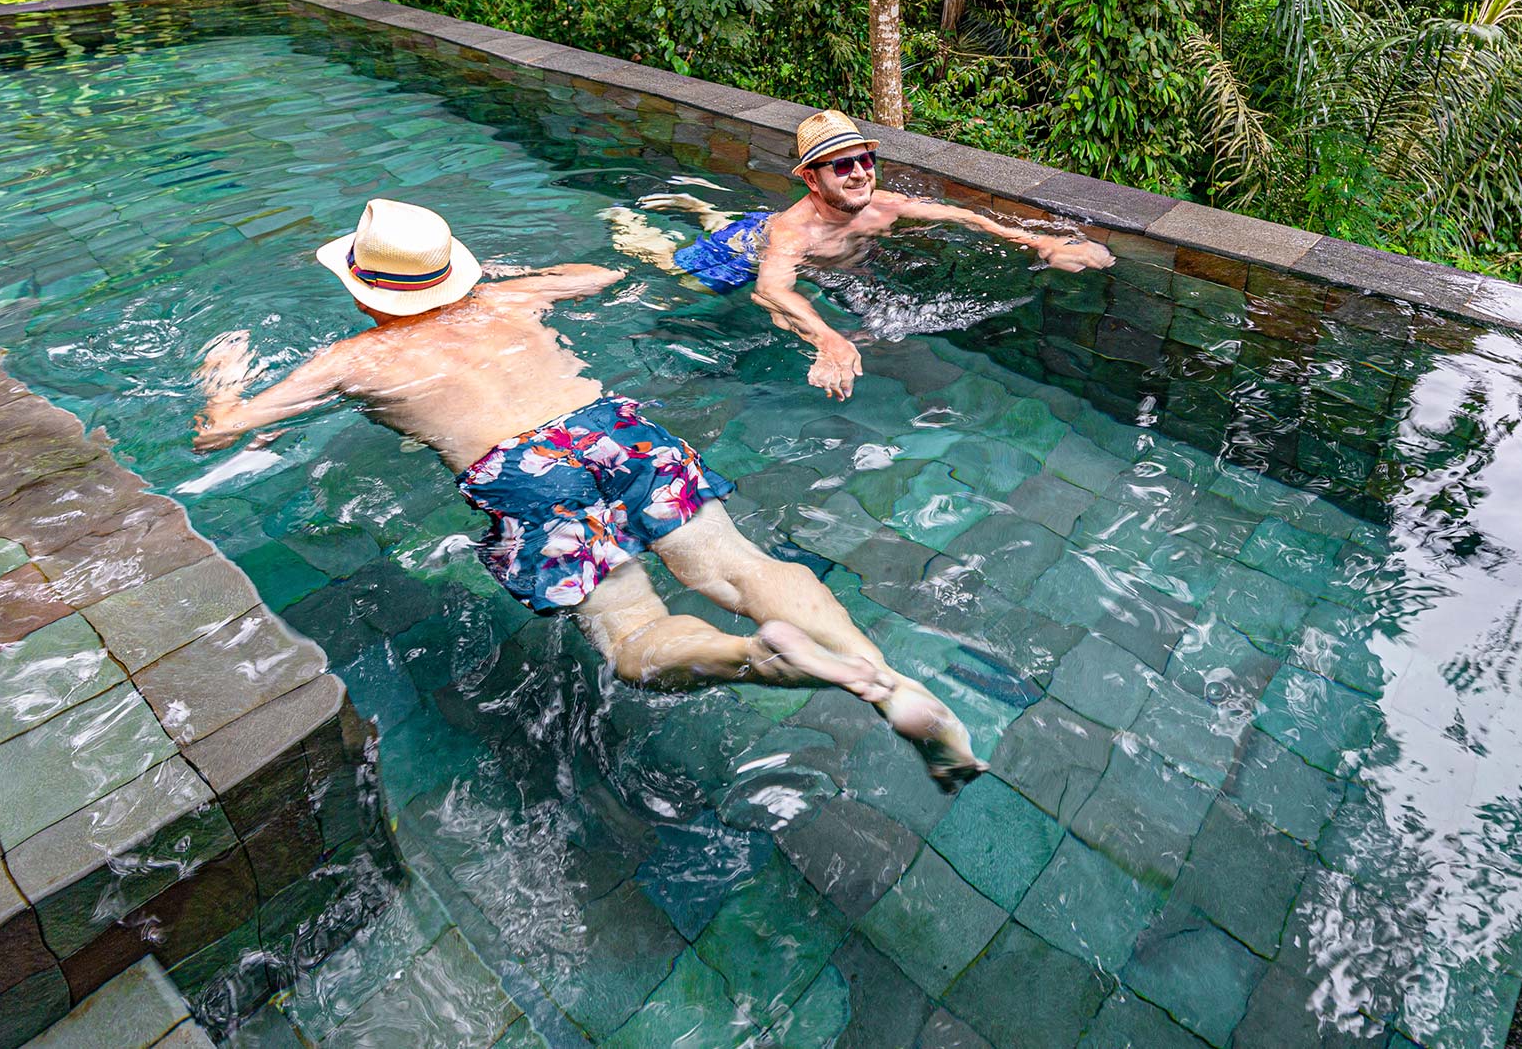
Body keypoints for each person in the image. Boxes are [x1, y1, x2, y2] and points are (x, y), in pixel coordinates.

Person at [192, 198, 985, 787]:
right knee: (738, 567)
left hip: (523, 472)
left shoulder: (350, 357)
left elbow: (220, 433)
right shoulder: (506, 299)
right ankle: (887, 682)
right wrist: (496, 280)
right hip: (609, 426)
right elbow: (599, 273)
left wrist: (221, 374)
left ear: (368, 291)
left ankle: (757, 658)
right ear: (455, 270)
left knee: (634, 637)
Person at [602, 109, 1116, 399]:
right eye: (840, 165)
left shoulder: (885, 206)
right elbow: (770, 290)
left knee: (734, 233)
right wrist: (826, 338)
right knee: (676, 269)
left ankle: (702, 209)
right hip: (750, 250)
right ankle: (624, 220)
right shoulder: (794, 236)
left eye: (864, 159)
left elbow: (966, 217)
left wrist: (1042, 242)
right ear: (809, 177)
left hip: (768, 231)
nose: (858, 173)